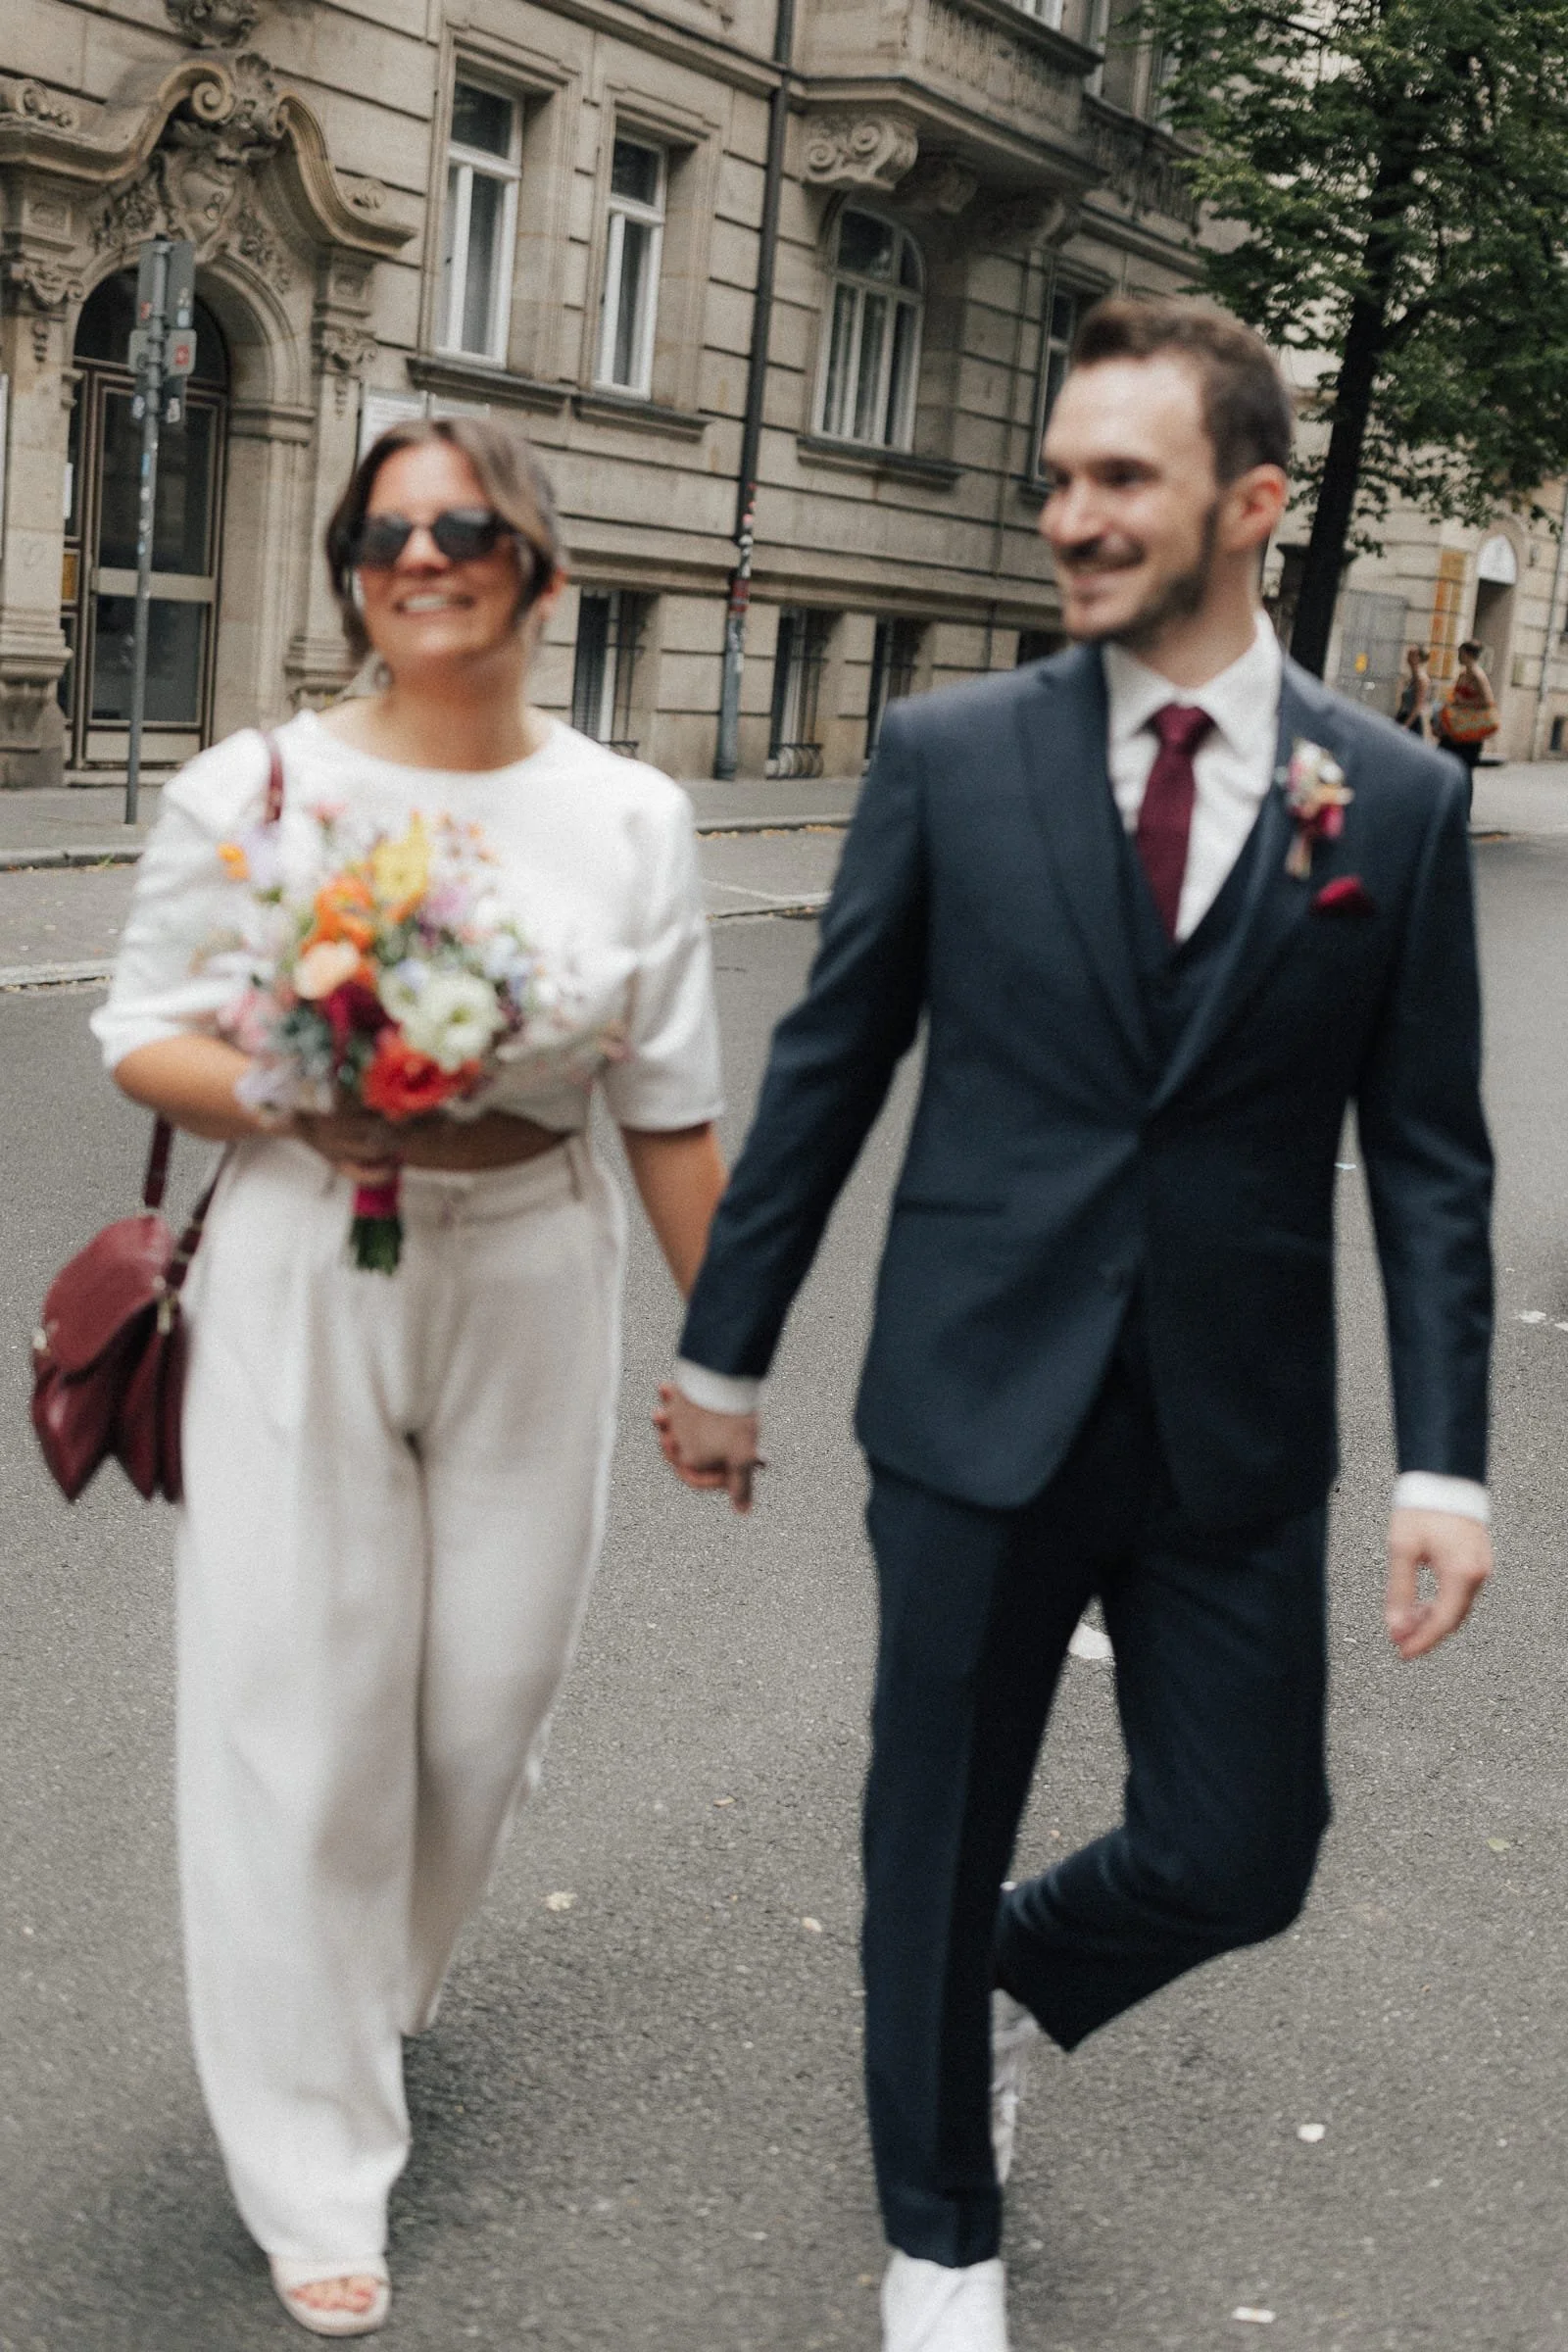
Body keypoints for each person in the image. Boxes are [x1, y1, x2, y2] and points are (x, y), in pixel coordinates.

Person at [657, 297, 1494, 2352]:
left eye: (1118, 476)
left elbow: (1424, 1156)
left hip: (1225, 1428)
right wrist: (721, 1347)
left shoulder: (1381, 801)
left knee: (1244, 1849)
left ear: (1249, 503)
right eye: (1055, 479)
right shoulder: (950, 758)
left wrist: (1442, 1459)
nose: (1070, 516)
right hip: (968, 1400)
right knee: (921, 1831)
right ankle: (937, 2231)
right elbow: (831, 1071)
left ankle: (1000, 1977)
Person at [92, 416, 726, 2336]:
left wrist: (736, 1354)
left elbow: (673, 1115)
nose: (419, 553)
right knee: (299, 1717)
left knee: (476, 1716)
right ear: (352, 570)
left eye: (463, 524)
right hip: (307, 1262)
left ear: (537, 561)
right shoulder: (253, 789)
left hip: (532, 1267)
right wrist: (311, 1079)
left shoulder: (629, 817)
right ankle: (312, 2160)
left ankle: (353, 1989)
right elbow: (142, 1031)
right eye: (384, 531)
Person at [1436, 638, 1498, 812]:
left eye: (1460, 653)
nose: (1458, 656)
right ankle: (1447, 807)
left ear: (1468, 654)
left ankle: (1463, 812)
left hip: (1470, 732)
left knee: (1464, 771)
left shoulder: (1478, 676)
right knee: (1445, 762)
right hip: (1456, 730)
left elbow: (1487, 702)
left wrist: (1463, 702)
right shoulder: (1463, 675)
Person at [1396, 644, 1433, 738]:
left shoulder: (1421, 679)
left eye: (1412, 654)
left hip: (1412, 721)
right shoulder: (1411, 677)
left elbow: (1418, 706)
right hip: (1403, 716)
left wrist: (1405, 726)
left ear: (1418, 658)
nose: (1408, 656)